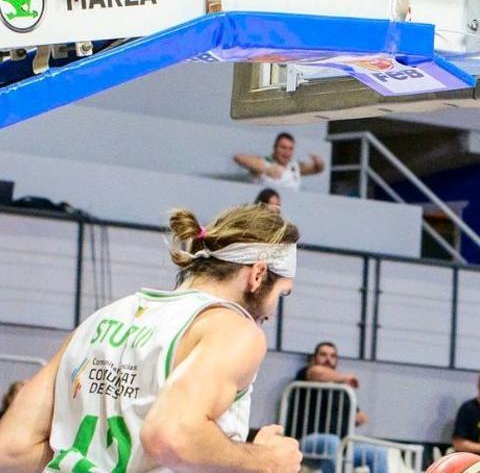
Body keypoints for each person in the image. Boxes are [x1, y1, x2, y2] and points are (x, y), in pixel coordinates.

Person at [0, 204, 303, 472]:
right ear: (258, 275)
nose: (273, 312)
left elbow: (11, 449)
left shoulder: (102, 318)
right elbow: (172, 437)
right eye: (282, 294)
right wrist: (266, 461)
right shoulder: (232, 329)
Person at [294, 341, 367, 427]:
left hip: (339, 437)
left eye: (332, 356)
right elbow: (317, 372)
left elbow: (360, 416)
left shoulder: (341, 388)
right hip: (312, 435)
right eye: (323, 355)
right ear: (314, 358)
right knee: (332, 440)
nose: (328, 359)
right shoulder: (306, 373)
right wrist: (345, 378)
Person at [234, 132, 325, 191]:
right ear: (275, 147)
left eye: (290, 149)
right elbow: (238, 157)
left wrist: (320, 162)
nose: (286, 152)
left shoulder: (295, 166)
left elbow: (317, 169)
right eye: (283, 147)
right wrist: (267, 169)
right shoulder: (263, 162)